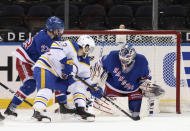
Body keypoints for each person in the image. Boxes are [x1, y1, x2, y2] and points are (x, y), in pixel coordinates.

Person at [32, 35, 103, 122]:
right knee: (47, 89)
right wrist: (65, 61)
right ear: (83, 44)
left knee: (79, 84)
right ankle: (38, 111)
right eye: (88, 48)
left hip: (59, 77)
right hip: (46, 67)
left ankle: (81, 109)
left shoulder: (86, 61)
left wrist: (92, 87)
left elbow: (85, 80)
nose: (88, 51)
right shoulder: (71, 45)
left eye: (91, 49)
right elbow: (55, 46)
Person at [4, 16, 64, 117]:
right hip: (25, 60)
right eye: (59, 29)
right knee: (31, 85)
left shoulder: (54, 37)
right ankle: (11, 108)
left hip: (35, 60)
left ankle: (60, 106)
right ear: (52, 29)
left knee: (53, 80)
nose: (61, 31)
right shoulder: (43, 40)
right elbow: (46, 60)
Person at [91, 44, 165, 120]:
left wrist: (147, 86)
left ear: (132, 58)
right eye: (121, 59)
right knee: (109, 110)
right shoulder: (112, 56)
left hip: (132, 92)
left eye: (125, 60)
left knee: (141, 110)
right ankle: (88, 104)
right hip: (112, 89)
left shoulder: (141, 61)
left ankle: (149, 111)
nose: (123, 62)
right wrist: (96, 82)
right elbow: (98, 65)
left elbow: (145, 79)